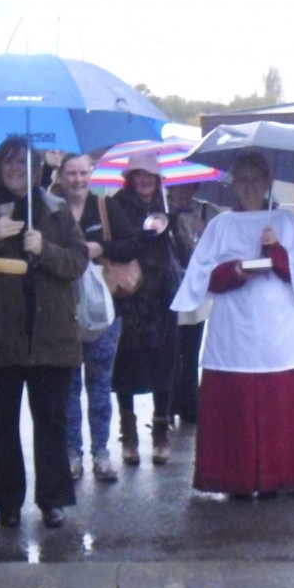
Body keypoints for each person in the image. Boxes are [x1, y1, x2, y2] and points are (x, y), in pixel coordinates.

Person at [170, 151, 294, 496]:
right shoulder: (220, 225)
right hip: (234, 326)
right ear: (232, 184)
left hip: (278, 325)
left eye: (255, 179)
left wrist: (276, 251)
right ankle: (233, 477)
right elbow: (202, 275)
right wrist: (236, 271)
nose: (248, 186)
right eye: (241, 179)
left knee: (282, 405)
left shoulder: (286, 223)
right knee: (235, 409)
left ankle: (284, 473)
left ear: (267, 181)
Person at [0, 136, 88, 528]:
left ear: (39, 166)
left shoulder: (56, 210)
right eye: (9, 161)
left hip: (51, 338)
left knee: (51, 421)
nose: (16, 168)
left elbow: (78, 262)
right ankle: (6, 500)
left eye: (24, 161)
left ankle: (53, 499)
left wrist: (44, 248)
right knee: (1, 424)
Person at [57, 153, 138, 482]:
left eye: (83, 173)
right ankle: (72, 451)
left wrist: (99, 248)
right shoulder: (51, 209)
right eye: (71, 174)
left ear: (91, 174)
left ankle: (101, 453)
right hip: (63, 310)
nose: (77, 180)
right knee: (69, 386)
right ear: (61, 176)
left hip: (105, 310)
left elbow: (130, 246)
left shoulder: (105, 206)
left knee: (100, 385)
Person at [110, 151, 180, 466]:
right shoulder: (115, 205)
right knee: (124, 367)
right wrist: (141, 235)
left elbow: (181, 252)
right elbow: (113, 245)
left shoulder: (166, 206)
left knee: (162, 366)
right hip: (128, 296)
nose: (145, 180)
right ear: (130, 177)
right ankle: (129, 434)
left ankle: (161, 432)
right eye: (139, 174)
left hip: (162, 298)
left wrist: (177, 227)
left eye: (150, 175)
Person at [167, 182, 208, 425]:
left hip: (198, 287)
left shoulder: (204, 211)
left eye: (189, 188)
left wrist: (201, 233)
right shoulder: (163, 213)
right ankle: (169, 404)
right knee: (173, 349)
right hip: (174, 288)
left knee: (192, 350)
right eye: (179, 188)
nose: (185, 192)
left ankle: (191, 404)